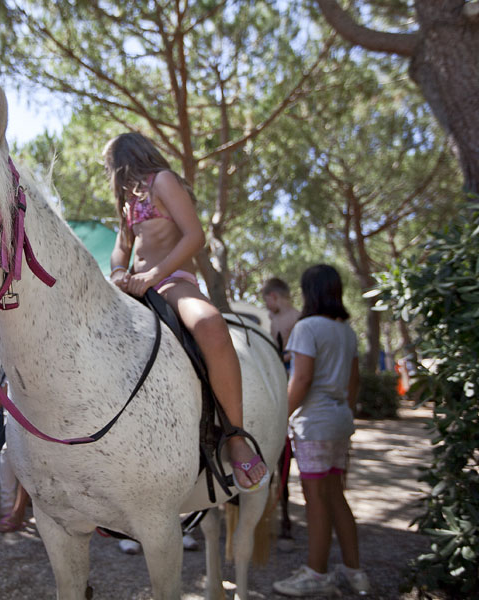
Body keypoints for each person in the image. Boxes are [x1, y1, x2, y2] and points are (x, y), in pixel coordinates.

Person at [103, 132, 268, 493]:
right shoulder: (128, 200)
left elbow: (195, 235)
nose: (109, 173)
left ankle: (236, 436)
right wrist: (118, 272)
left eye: (110, 165)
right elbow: (121, 248)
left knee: (209, 324)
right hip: (137, 286)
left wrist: (153, 275)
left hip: (171, 281)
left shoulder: (162, 181)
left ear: (125, 159)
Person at [272, 264, 370, 596]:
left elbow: (301, 379)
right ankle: (354, 572)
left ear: (309, 292)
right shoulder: (347, 332)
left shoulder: (306, 327)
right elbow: (354, 382)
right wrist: (346, 414)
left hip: (314, 424)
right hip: (340, 421)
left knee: (314, 499)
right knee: (336, 495)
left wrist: (278, 416)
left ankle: (316, 574)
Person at [261, 276, 300, 547]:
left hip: (291, 389)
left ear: (274, 296)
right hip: (277, 387)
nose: (265, 305)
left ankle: (284, 513)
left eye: (266, 299)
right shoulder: (275, 320)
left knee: (285, 454)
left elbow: (296, 355)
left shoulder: (296, 319)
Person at [0, 372, 30, 533]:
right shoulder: (10, 364)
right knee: (6, 463)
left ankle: (17, 513)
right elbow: (5, 389)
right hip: (11, 426)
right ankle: (8, 511)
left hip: (27, 425)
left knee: (25, 468)